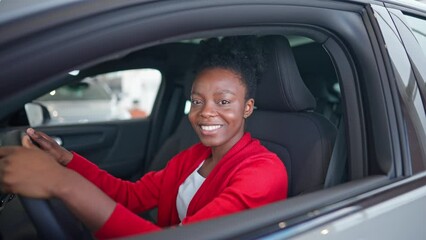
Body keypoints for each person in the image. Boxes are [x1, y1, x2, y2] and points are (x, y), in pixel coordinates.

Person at [0, 37, 288, 239]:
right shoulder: (193, 158)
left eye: (223, 102)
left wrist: (62, 183)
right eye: (197, 101)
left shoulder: (263, 171)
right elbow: (131, 196)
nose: (205, 114)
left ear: (247, 107)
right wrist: (66, 161)